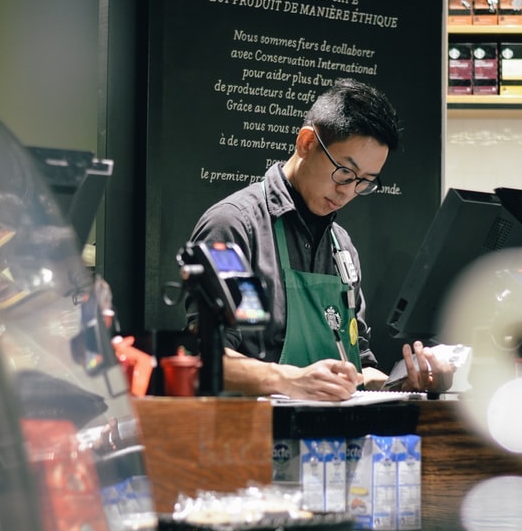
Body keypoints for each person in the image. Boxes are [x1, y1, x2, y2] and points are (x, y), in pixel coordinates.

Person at [187, 78, 451, 401]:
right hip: (255, 440)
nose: (348, 191)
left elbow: (358, 367)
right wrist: (290, 379)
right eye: (344, 172)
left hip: (335, 446)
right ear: (307, 143)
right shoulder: (237, 228)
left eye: (364, 183)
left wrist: (406, 384)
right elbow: (208, 358)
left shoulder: (342, 247)